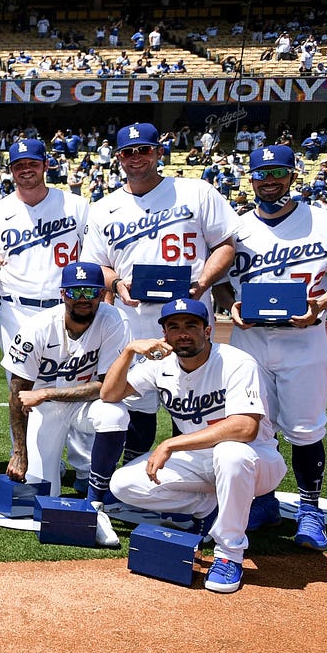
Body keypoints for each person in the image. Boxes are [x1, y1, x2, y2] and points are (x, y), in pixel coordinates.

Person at [214, 145, 327, 551]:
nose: (269, 180)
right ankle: (263, 502)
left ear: (293, 176)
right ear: (251, 179)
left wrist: (322, 304)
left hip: (305, 340)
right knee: (254, 426)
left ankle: (310, 510)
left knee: (306, 429)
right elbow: (221, 282)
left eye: (278, 172)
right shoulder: (237, 228)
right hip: (250, 341)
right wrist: (229, 306)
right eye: (262, 174)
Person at [99, 299, 286, 594]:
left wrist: (172, 443)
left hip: (257, 459)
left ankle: (229, 555)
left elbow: (245, 428)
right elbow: (110, 394)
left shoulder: (237, 362)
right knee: (123, 485)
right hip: (199, 460)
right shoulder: (160, 365)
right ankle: (209, 507)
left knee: (230, 453)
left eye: (191, 326)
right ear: (165, 336)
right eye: (174, 327)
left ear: (208, 330)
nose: (183, 333)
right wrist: (129, 351)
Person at [84, 122, 237, 465]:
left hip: (189, 314)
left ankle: (195, 475)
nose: (136, 157)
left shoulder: (196, 192)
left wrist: (202, 283)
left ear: (159, 152)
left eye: (144, 150)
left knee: (196, 397)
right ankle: (136, 471)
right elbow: (98, 266)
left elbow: (226, 246)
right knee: (137, 401)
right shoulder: (103, 207)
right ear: (118, 158)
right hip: (135, 318)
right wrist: (116, 284)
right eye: (128, 152)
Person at [0, 138, 92, 485]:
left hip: (67, 308)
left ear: (45, 165)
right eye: (18, 165)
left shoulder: (76, 205)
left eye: (32, 163)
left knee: (75, 380)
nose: (25, 170)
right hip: (17, 310)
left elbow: (93, 256)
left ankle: (84, 467)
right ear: (10, 170)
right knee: (21, 386)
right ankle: (33, 460)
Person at [1, 262, 130, 547]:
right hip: (44, 410)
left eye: (90, 291)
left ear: (101, 294)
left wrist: (48, 393)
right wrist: (18, 452)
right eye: (75, 291)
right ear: (62, 294)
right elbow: (17, 393)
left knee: (114, 414)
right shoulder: (37, 327)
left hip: (82, 403)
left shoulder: (113, 320)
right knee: (43, 495)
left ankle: (96, 505)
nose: (83, 298)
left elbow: (108, 388)